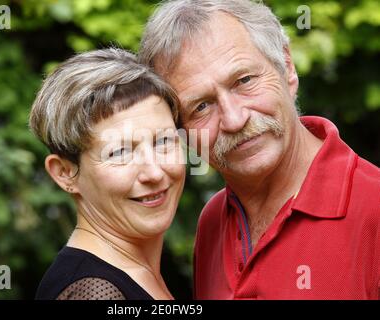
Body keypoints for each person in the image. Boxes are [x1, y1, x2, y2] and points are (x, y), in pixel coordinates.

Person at [139, 0, 380, 299]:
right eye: (201, 106)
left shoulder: (374, 210)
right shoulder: (212, 220)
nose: (234, 119)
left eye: (244, 81)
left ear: (287, 68)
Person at [30, 48, 185, 300]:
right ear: (65, 173)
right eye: (120, 152)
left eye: (163, 141)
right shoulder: (92, 293)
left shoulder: (148, 270)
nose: (155, 172)